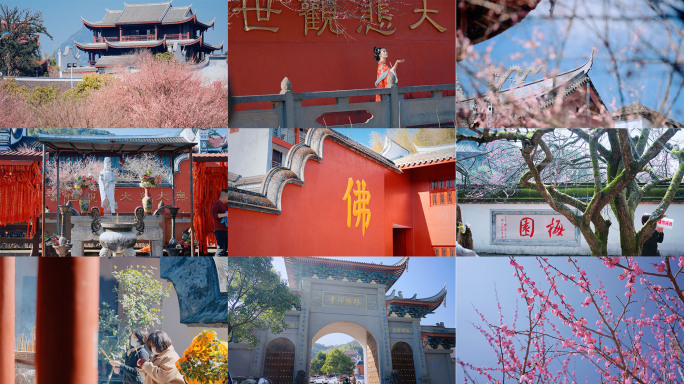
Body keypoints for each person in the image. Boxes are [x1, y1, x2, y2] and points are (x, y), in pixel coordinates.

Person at [211, 190, 229, 256]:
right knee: (221, 250)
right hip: (220, 230)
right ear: (224, 196)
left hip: (225, 230)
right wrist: (225, 214)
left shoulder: (224, 205)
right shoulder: (217, 203)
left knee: (224, 250)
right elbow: (213, 214)